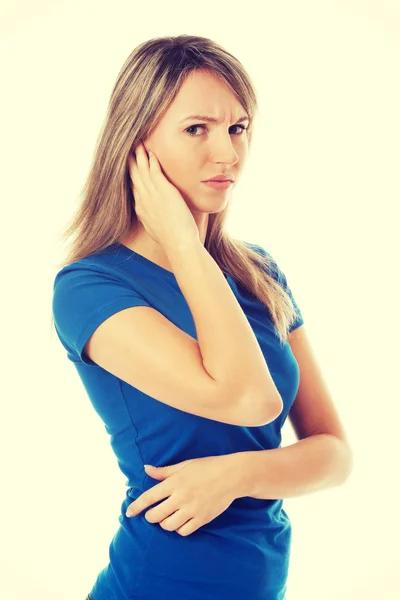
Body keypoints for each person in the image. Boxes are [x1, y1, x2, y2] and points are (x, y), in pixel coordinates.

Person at [52, 35, 306, 600]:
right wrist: (183, 243)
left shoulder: (259, 272)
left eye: (238, 128)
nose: (229, 154)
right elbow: (252, 399)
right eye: (197, 129)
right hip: (158, 582)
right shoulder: (90, 288)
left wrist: (235, 475)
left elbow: (333, 452)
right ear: (137, 143)